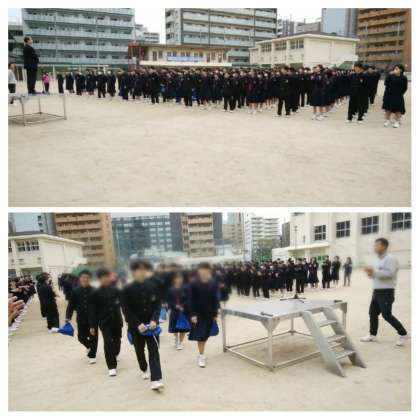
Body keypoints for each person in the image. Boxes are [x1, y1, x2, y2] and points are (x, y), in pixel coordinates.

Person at [122, 259, 164, 390]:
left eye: (143, 269)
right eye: (138, 269)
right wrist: (137, 324)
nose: (141, 272)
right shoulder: (127, 289)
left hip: (152, 326)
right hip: (136, 327)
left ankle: (156, 379)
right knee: (139, 350)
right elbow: (126, 309)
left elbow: (158, 305)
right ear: (133, 272)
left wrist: (154, 320)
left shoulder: (153, 286)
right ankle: (143, 368)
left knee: (154, 351)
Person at [361, 238, 409, 346]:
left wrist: (374, 271)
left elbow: (390, 273)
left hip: (386, 291)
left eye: (377, 245)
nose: (375, 247)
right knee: (372, 313)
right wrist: (370, 274)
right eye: (375, 245)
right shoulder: (376, 260)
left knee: (386, 314)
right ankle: (372, 334)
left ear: (384, 246)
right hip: (377, 290)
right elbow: (376, 274)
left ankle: (403, 333)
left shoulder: (390, 259)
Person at [89, 267, 123, 377]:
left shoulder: (116, 290)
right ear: (99, 279)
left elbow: (125, 305)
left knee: (117, 340)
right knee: (108, 342)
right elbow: (93, 311)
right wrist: (92, 326)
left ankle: (115, 353)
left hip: (117, 320)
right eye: (103, 277)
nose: (106, 279)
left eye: (107, 277)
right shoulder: (95, 293)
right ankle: (111, 366)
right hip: (104, 322)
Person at [188, 262, 220, 368]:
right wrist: (193, 314)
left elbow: (215, 299)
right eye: (202, 269)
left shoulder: (213, 283)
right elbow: (191, 300)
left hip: (210, 314)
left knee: (206, 335)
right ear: (199, 271)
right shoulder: (194, 284)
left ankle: (201, 353)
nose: (204, 271)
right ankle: (201, 356)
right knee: (201, 336)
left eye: (206, 269)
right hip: (198, 314)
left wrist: (215, 313)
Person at [65, 270, 98, 364]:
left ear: (90, 279)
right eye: (83, 277)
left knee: (93, 338)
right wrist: (68, 316)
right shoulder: (75, 291)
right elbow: (71, 305)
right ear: (80, 279)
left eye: (87, 277)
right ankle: (89, 347)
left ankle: (92, 356)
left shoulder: (95, 290)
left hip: (93, 319)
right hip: (81, 319)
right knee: (81, 337)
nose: (85, 279)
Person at [167, 271, 190, 350]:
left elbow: (189, 299)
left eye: (180, 278)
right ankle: (176, 338)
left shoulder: (186, 288)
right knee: (174, 328)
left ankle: (180, 342)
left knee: (183, 328)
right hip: (174, 311)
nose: (179, 280)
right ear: (174, 279)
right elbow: (168, 300)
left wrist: (183, 305)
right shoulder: (170, 289)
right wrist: (174, 305)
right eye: (177, 278)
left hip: (184, 311)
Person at [382, 64, 408, 128]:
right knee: (388, 109)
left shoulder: (403, 78)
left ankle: (397, 122)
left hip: (398, 95)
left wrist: (400, 93)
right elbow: (385, 83)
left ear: (401, 70)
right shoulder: (391, 76)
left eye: (397, 69)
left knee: (398, 109)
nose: (395, 70)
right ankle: (387, 120)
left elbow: (405, 88)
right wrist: (389, 75)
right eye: (395, 68)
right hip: (389, 95)